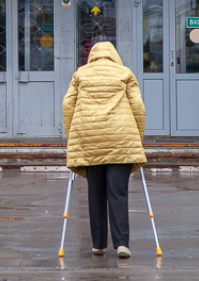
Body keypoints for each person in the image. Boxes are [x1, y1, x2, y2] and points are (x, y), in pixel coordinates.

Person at [63, 41, 146, 259]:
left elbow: (67, 104)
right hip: (121, 139)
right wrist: (138, 136)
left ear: (93, 55)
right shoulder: (124, 72)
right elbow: (138, 106)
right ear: (113, 55)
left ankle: (98, 244)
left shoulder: (80, 73)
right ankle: (121, 244)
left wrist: (72, 135)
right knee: (118, 193)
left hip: (89, 139)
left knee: (95, 193)